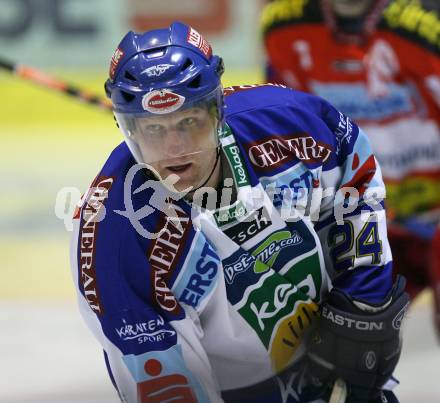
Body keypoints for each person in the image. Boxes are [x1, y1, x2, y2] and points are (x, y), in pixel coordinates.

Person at [70, 21, 409, 403]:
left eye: (189, 123)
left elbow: (354, 164)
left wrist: (362, 295)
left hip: (331, 365)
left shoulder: (285, 124)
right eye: (153, 130)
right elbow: (169, 385)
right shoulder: (114, 238)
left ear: (218, 108)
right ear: (126, 128)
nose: (176, 149)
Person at [261, 0, 440, 338]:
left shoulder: (426, 27)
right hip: (362, 213)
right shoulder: (284, 27)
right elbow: (287, 130)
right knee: (344, 346)